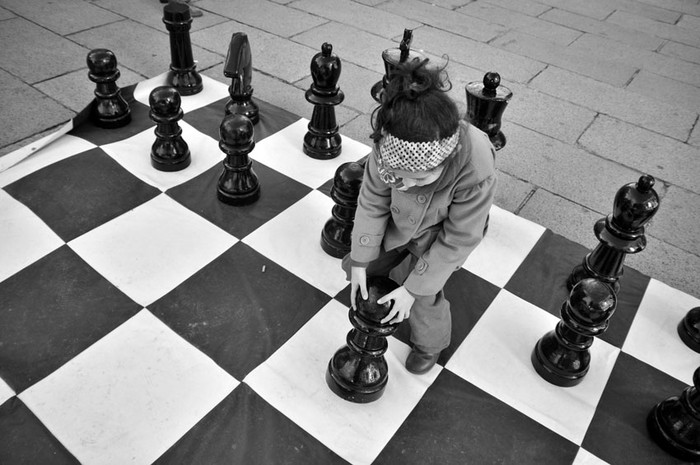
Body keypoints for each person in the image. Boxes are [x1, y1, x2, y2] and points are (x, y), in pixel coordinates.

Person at [343, 57, 497, 375]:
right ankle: (390, 273)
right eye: (398, 178)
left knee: (425, 297)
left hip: (440, 233)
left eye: (420, 179)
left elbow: (460, 237)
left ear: (448, 158)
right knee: (358, 268)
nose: (406, 185)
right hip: (400, 224)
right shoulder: (387, 145)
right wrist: (360, 260)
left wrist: (414, 289)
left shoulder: (476, 164)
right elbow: (372, 203)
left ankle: (431, 343)